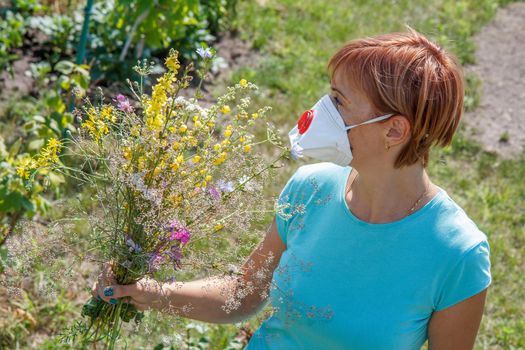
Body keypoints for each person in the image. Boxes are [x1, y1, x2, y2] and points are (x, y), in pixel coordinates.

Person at [93, 27, 492, 349]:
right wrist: (147, 292)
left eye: (338, 101)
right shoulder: (310, 189)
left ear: (394, 129)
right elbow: (244, 293)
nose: (320, 111)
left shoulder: (457, 254)